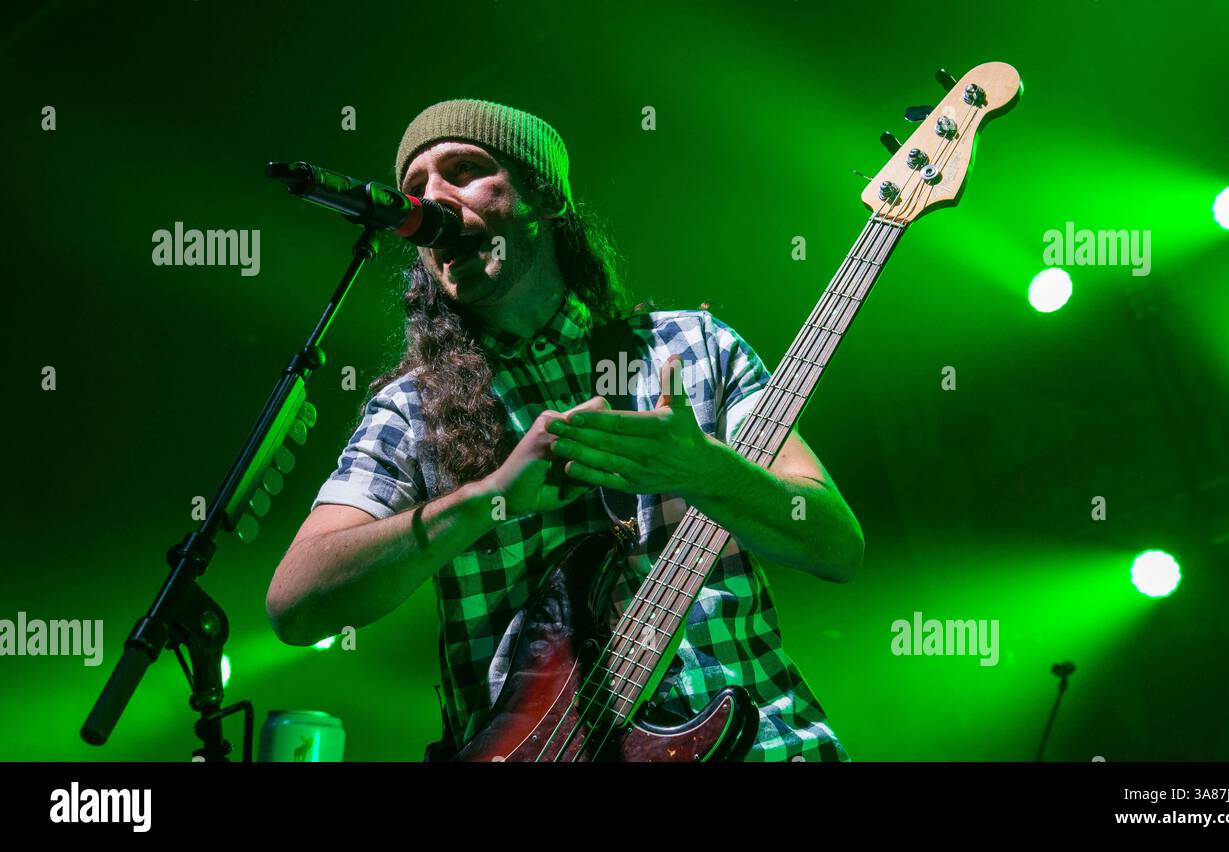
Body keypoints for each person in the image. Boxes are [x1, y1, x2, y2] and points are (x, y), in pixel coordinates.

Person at [266, 98, 864, 761]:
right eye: (413, 190)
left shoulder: (694, 349)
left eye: (463, 171)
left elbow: (836, 545)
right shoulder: (412, 410)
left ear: (544, 195)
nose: (431, 200)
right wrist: (489, 496)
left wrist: (706, 470)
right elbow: (297, 604)